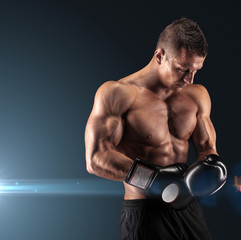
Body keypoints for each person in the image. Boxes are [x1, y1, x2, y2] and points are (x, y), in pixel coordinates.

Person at [84, 17, 227, 240]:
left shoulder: (197, 96)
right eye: (182, 69)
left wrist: (211, 169)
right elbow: (96, 159)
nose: (189, 79)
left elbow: (207, 147)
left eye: (195, 70)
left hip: (187, 211)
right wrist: (156, 180)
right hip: (145, 214)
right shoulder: (117, 94)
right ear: (160, 56)